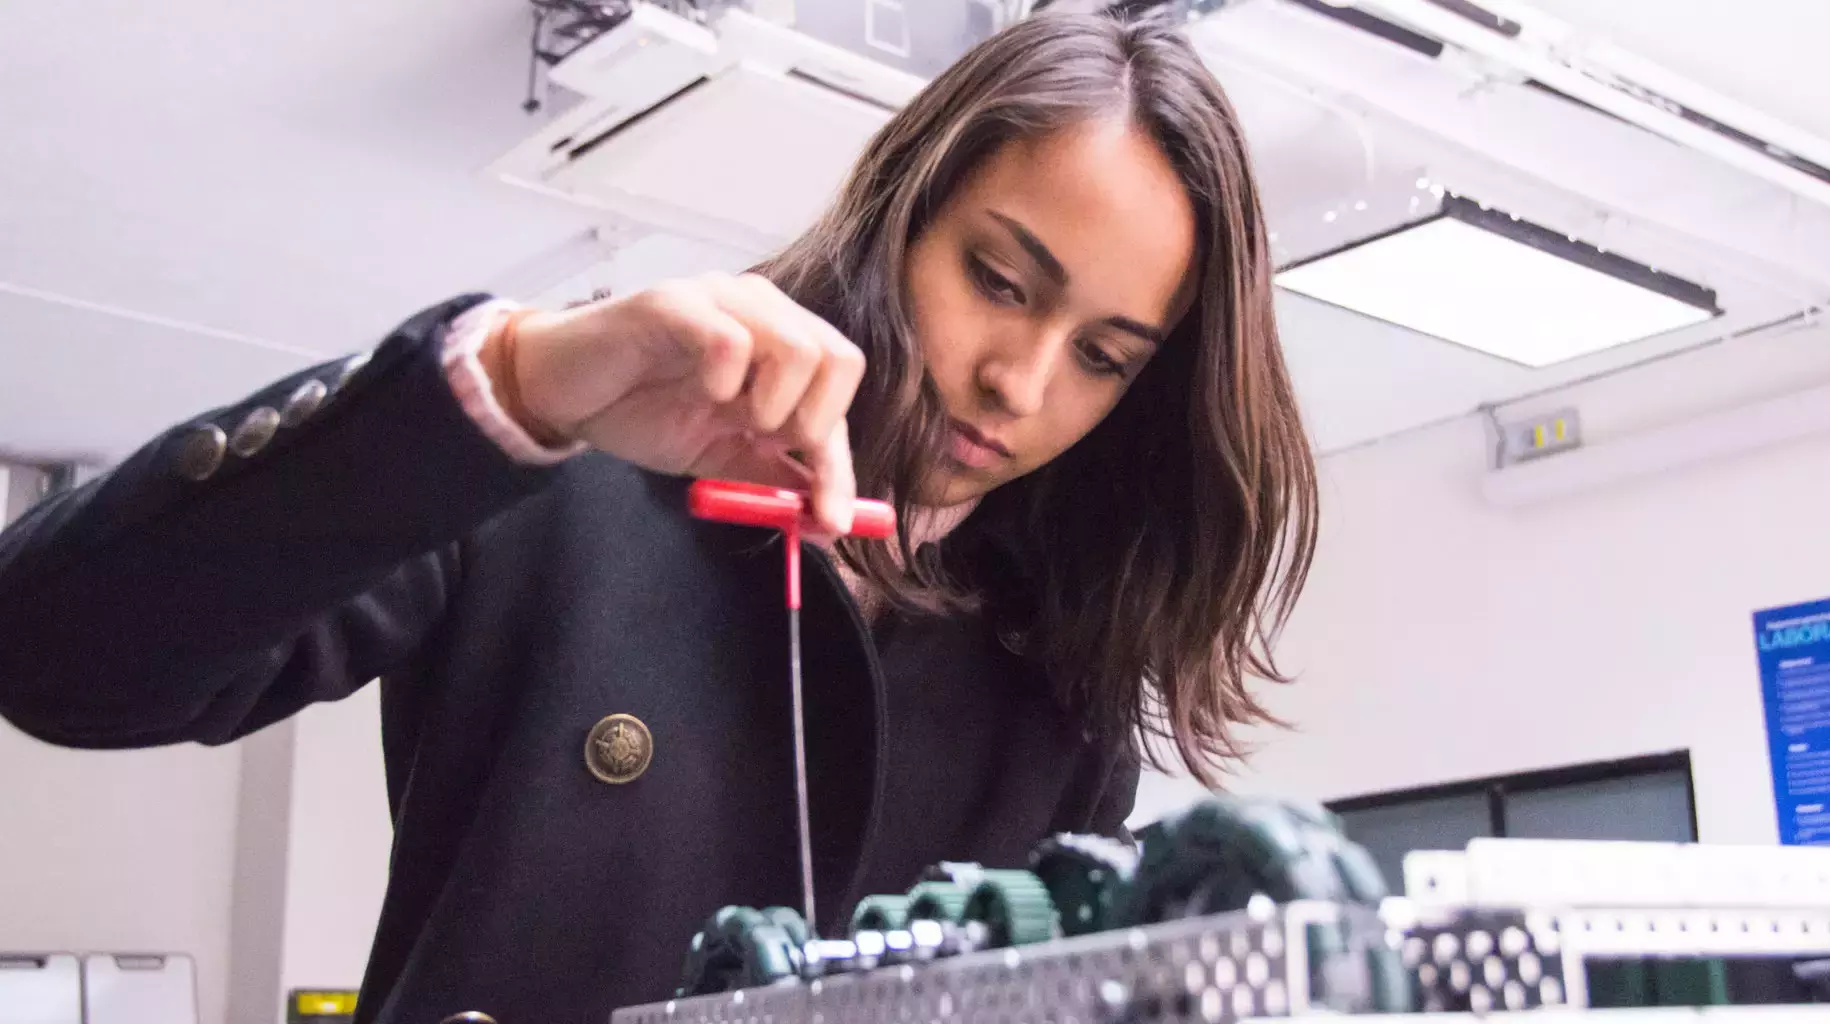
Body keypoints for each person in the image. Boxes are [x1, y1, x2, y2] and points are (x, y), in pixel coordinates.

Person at [0, 10, 1316, 1023]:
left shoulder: (1061, 703)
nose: (1018, 385)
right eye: (997, 279)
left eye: (1107, 357)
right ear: (901, 210)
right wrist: (509, 386)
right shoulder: (559, 474)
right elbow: (57, 656)